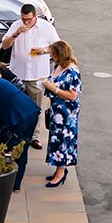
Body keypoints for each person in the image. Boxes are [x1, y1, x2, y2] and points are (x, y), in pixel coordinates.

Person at [0, 3, 59, 150]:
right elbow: (4, 46)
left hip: (37, 75)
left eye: (29, 19)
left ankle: (34, 136)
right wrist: (16, 34)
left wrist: (44, 50)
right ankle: (15, 133)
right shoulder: (16, 26)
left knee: (36, 107)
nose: (26, 22)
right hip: (18, 73)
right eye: (23, 19)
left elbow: (58, 46)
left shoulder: (46, 27)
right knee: (15, 105)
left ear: (35, 16)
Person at [41, 40, 81, 188]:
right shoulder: (59, 66)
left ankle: (60, 172)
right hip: (56, 111)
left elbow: (72, 96)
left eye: (53, 55)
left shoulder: (72, 72)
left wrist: (53, 88)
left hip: (66, 114)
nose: (52, 58)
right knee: (55, 139)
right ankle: (58, 168)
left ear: (60, 55)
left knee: (64, 141)